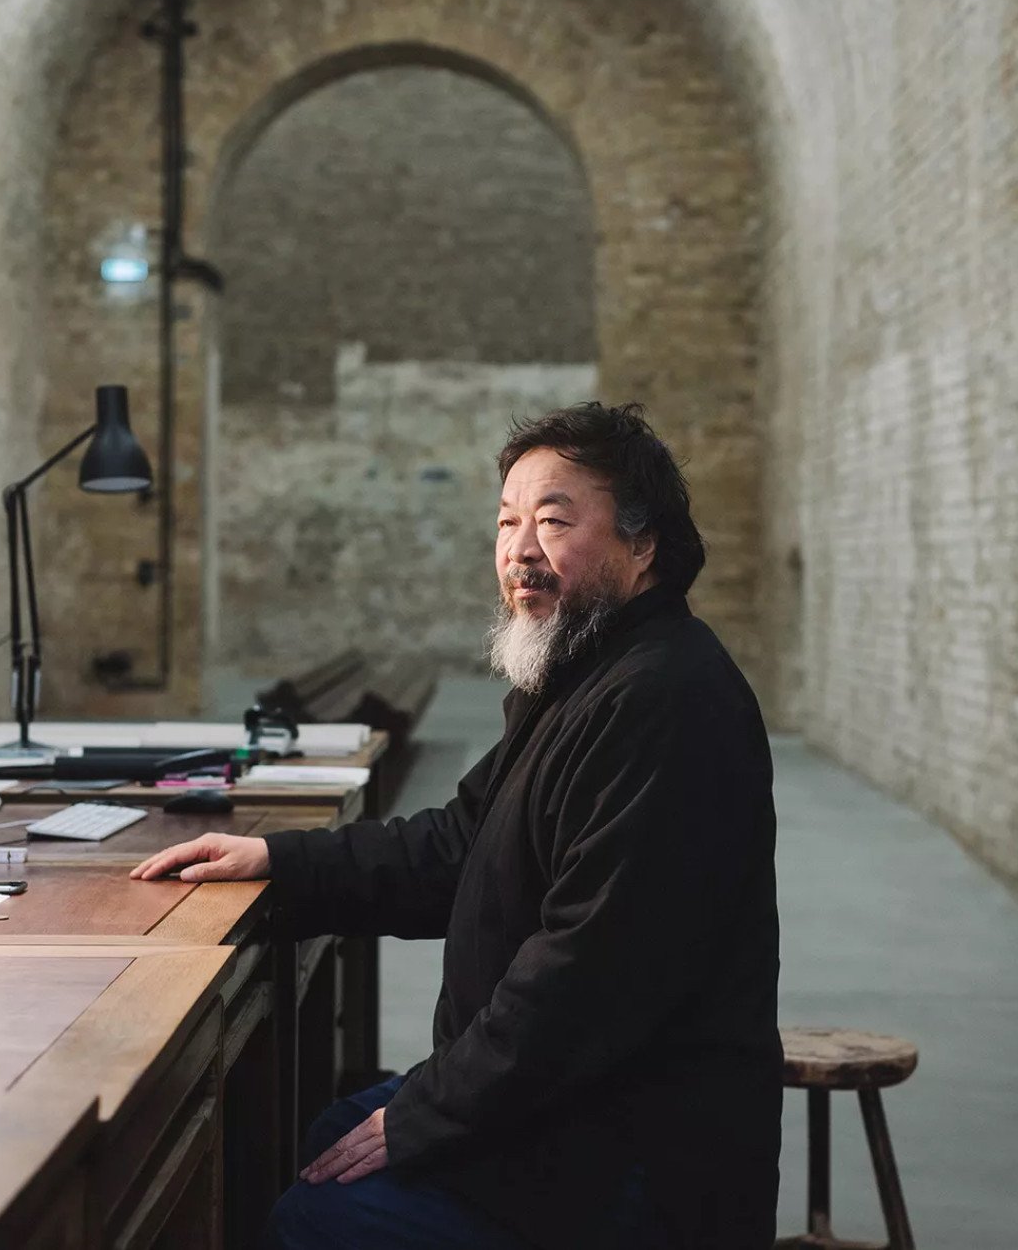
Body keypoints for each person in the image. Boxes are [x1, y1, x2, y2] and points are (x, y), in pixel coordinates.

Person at [132, 402, 781, 1249]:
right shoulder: (581, 678)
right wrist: (276, 860)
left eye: (553, 520)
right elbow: (455, 844)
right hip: (572, 1111)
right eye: (508, 521)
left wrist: (427, 1112)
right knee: (329, 1133)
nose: (519, 550)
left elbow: (583, 983)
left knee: (316, 1214)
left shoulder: (664, 700)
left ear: (642, 542)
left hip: (635, 1159)